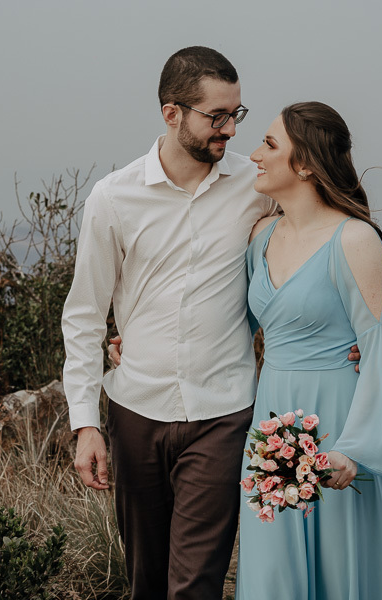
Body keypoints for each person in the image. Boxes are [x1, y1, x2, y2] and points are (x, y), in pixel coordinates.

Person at [61, 46, 276, 599]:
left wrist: (342, 334)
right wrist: (86, 421)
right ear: (171, 112)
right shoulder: (113, 198)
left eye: (236, 114)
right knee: (147, 583)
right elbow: (85, 314)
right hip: (136, 409)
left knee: (195, 586)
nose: (229, 130)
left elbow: (320, 235)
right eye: (216, 116)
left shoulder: (255, 189)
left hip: (223, 412)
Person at [234, 101, 382, 599]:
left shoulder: (355, 240)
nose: (254, 154)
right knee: (274, 569)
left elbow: (378, 353)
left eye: (270, 144)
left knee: (343, 570)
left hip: (338, 424)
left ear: (305, 164)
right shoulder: (260, 237)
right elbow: (231, 326)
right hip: (270, 423)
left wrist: (354, 452)